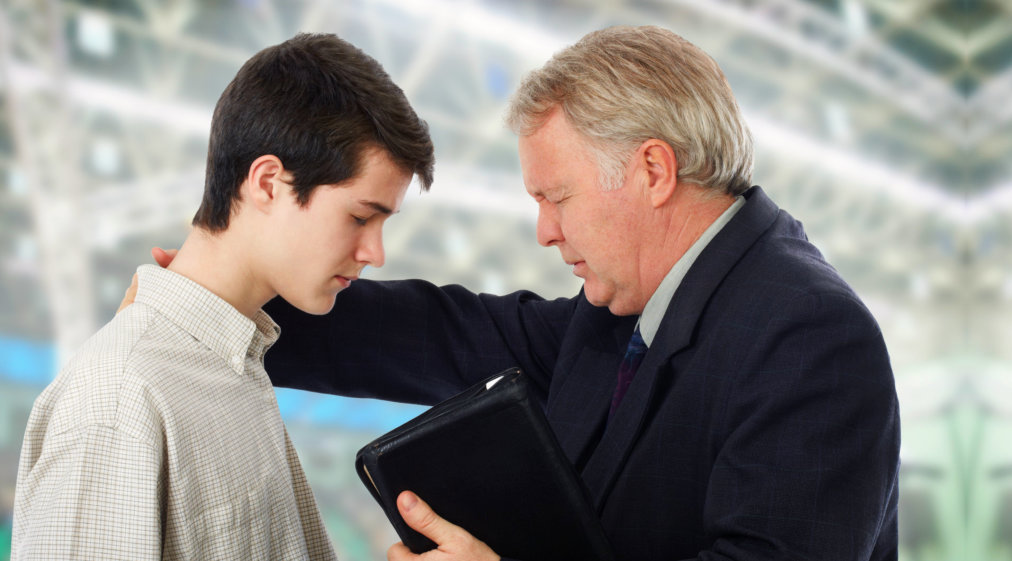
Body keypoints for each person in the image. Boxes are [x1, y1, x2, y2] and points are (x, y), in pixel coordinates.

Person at [144, 25, 900, 561]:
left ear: (653, 171)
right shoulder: (623, 316)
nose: (544, 230)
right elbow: (439, 332)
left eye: (556, 196)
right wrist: (218, 297)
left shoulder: (810, 339)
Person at [12, 33, 434, 560]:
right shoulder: (119, 395)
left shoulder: (238, 364)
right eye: (359, 217)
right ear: (267, 183)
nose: (375, 252)